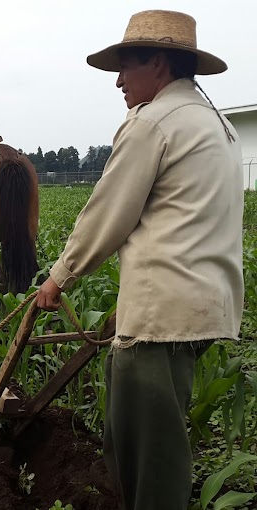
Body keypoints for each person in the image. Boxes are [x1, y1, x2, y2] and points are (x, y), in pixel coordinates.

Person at [36, 10, 244, 510]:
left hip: (158, 317)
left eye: (126, 65)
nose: (118, 81)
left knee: (145, 457)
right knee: (156, 443)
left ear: (159, 62)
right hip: (200, 311)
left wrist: (58, 278)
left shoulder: (153, 123)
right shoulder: (216, 125)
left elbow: (108, 210)